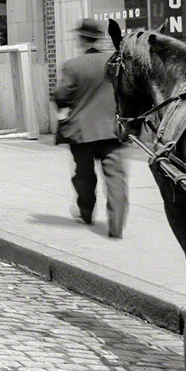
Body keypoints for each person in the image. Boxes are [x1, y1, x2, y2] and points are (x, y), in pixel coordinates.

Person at [52, 17, 128, 239]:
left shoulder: (73, 65)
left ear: (82, 39)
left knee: (84, 176)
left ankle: (86, 213)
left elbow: (63, 96)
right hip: (112, 130)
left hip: (82, 132)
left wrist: (58, 99)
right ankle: (116, 225)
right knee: (115, 178)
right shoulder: (115, 62)